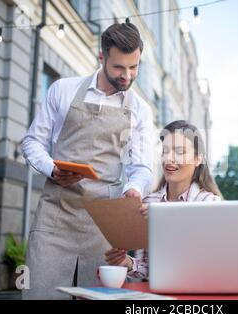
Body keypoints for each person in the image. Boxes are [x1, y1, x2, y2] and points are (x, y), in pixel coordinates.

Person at [21, 22, 153, 299]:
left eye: (134, 67)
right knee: (39, 294)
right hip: (56, 217)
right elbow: (32, 142)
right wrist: (52, 169)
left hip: (104, 227)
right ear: (101, 57)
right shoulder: (63, 90)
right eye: (119, 67)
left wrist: (135, 189)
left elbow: (141, 168)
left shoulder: (140, 110)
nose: (127, 76)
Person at [103, 120, 223, 280]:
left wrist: (165, 219)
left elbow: (210, 260)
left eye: (179, 152)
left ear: (197, 159)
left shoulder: (210, 204)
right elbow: (149, 269)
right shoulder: (149, 203)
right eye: (165, 151)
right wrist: (128, 263)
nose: (168, 158)